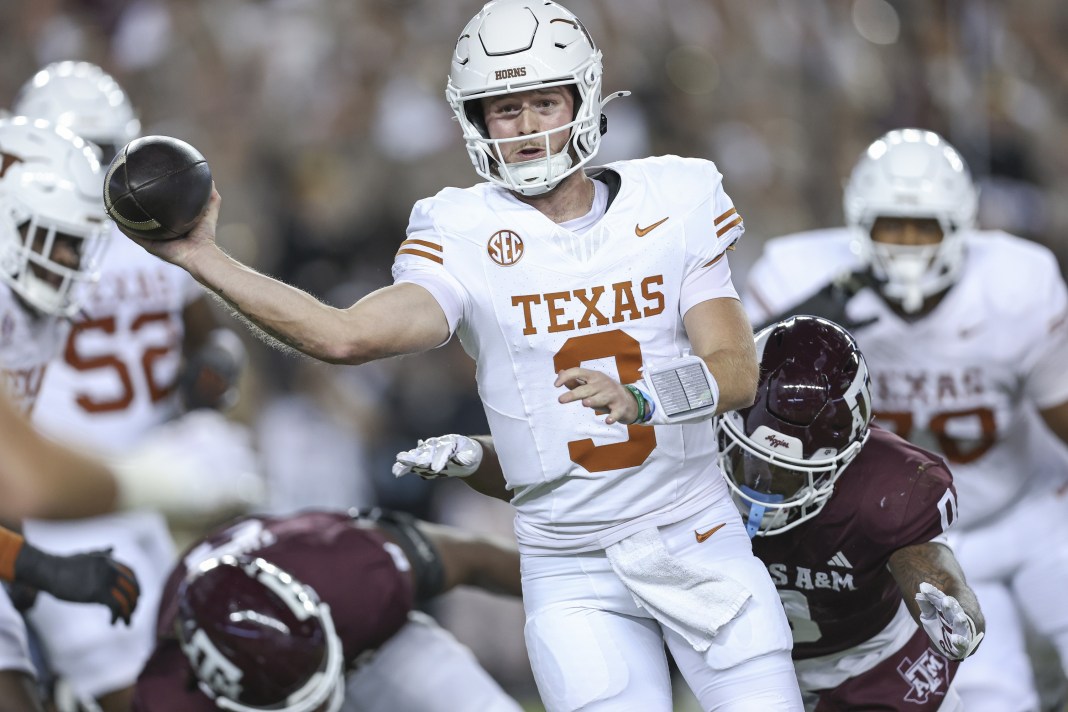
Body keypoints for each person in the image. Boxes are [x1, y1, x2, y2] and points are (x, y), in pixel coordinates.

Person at [116, 1, 802, 708]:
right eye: (506, 109)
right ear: (475, 120)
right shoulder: (461, 227)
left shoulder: (676, 195)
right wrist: (204, 258)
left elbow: (737, 370)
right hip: (574, 572)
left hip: (698, 533)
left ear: (584, 97)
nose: (530, 127)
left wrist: (645, 397)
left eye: (544, 101)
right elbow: (343, 335)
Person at [395, 316, 988, 711]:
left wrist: (947, 599)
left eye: (787, 474)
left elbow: (925, 558)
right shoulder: (685, 433)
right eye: (750, 461)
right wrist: (477, 460)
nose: (763, 487)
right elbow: (555, 480)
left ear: (846, 455)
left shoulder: (892, 488)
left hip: (870, 663)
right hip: (738, 669)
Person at [743, 128, 1068, 712]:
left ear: (960, 224)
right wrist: (805, 322)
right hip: (915, 536)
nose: (908, 245)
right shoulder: (798, 279)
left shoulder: (1017, 284)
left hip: (1031, 508)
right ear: (857, 224)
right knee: (996, 700)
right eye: (892, 226)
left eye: (924, 228)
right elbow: (744, 397)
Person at [11, 60, 260, 712]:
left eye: (99, 153)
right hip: (80, 488)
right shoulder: (117, 236)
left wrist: (212, 372)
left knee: (212, 671)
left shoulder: (51, 240)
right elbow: (214, 338)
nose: (91, 170)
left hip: (121, 482)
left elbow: (208, 339)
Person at [132, 507, 524, 711]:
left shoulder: (355, 574)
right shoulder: (170, 695)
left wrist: (581, 589)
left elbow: (478, 557)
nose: (321, 707)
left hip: (367, 650)